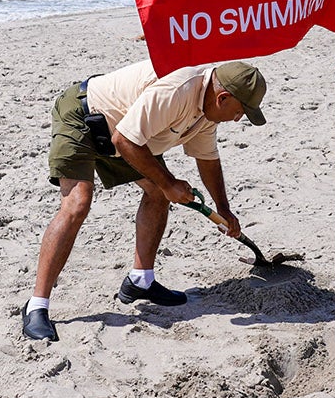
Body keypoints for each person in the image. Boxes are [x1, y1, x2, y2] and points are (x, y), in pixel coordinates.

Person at [22, 60, 266, 342]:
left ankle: (140, 281)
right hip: (85, 116)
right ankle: (36, 306)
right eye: (239, 112)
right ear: (223, 97)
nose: (238, 119)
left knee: (158, 194)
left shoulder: (208, 111)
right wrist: (169, 184)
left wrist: (224, 209)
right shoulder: (178, 90)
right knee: (78, 204)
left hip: (125, 133)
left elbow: (207, 159)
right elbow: (124, 140)